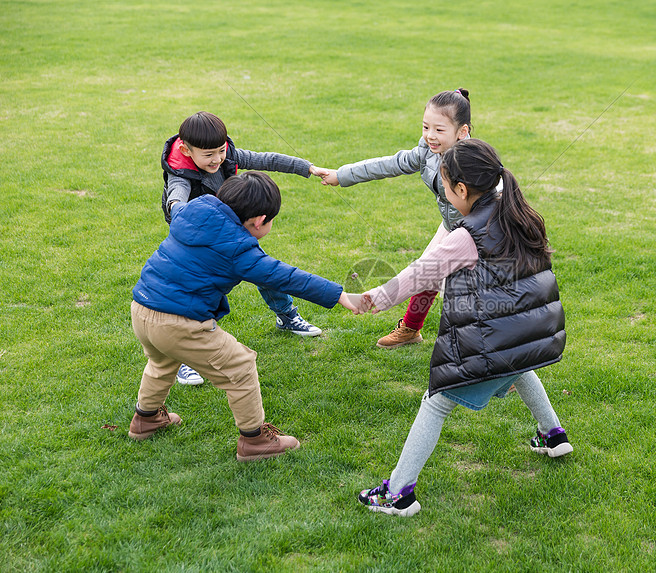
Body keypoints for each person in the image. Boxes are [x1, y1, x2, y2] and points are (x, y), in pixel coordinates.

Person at [354, 139, 571, 516]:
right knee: (518, 366)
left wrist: (376, 296)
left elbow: (420, 274)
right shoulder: (520, 213)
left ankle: (398, 493)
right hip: (528, 330)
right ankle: (553, 434)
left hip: (498, 333)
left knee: (436, 402)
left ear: (461, 189)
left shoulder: (465, 236)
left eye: (445, 186)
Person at [129, 171, 362, 461]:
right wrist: (339, 295)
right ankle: (254, 441)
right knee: (240, 365)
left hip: (142, 308)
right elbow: (284, 275)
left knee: (162, 362)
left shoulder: (195, 209)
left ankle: (145, 419)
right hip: (178, 322)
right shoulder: (239, 249)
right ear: (259, 220)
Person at [162, 111, 325, 385]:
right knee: (197, 295)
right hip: (197, 240)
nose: (217, 159)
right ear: (184, 149)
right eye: (208, 154)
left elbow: (267, 159)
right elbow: (176, 199)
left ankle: (286, 316)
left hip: (230, 230)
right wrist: (179, 211)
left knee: (265, 271)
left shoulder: (227, 156)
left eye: (221, 151)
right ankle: (183, 356)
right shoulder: (180, 175)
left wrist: (307, 167)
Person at [315, 89, 472, 349]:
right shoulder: (428, 151)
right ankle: (411, 329)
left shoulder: (474, 161)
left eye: (439, 130)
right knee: (428, 271)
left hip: (477, 232)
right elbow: (391, 164)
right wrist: (341, 175)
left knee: (466, 296)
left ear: (462, 131)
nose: (430, 136)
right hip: (451, 226)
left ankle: (503, 365)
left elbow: (498, 198)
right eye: (425, 127)